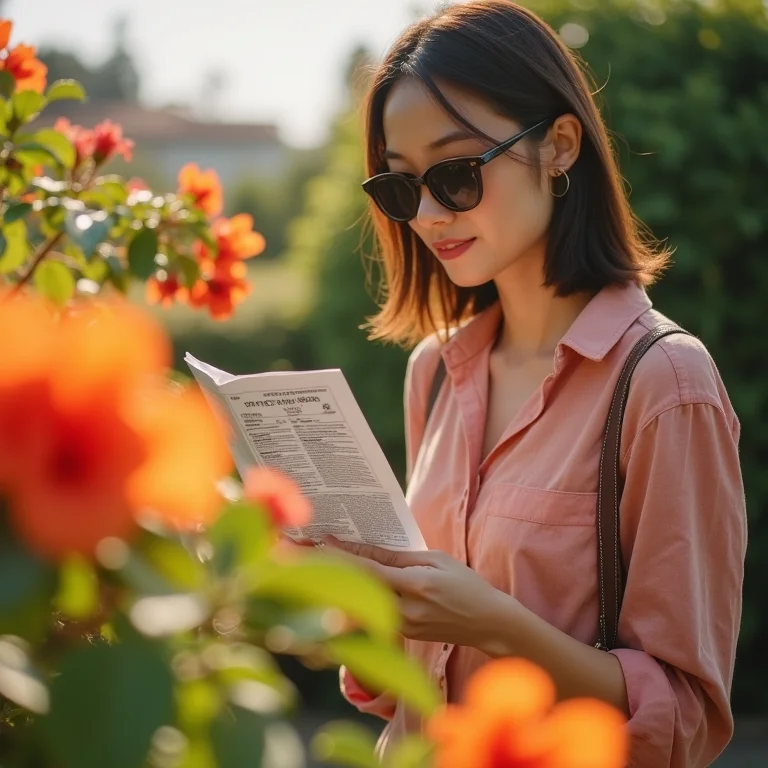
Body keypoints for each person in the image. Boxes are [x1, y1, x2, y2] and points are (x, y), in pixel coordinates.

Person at [324, 1, 747, 765]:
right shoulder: (435, 374)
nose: (425, 215)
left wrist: (493, 622)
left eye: (454, 174)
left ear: (557, 147)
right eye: (398, 187)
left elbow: (685, 718)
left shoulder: (663, 382)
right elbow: (411, 688)